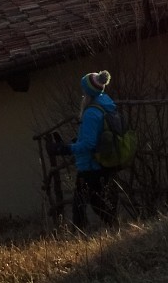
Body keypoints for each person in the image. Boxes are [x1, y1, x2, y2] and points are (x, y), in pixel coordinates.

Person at [50, 69, 119, 229]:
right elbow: (94, 136)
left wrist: (67, 148)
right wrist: (76, 141)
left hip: (90, 165)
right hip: (102, 162)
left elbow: (88, 144)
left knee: (79, 205)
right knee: (96, 201)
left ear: (88, 92)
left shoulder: (91, 113)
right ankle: (115, 227)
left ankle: (80, 236)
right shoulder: (106, 104)